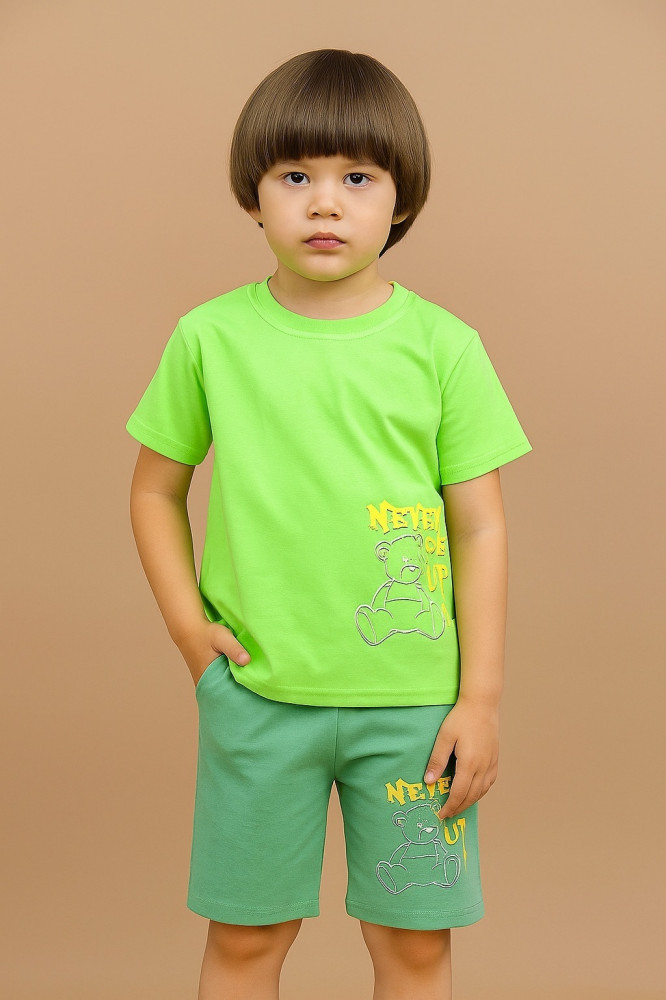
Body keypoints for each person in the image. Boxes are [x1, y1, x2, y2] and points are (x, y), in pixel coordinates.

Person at [126, 48, 532, 1000]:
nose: (324, 204)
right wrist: (190, 634)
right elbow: (153, 491)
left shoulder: (445, 348)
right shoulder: (210, 339)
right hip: (259, 698)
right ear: (253, 195)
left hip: (416, 713)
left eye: (357, 178)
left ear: (401, 199)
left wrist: (479, 701)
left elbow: (481, 529)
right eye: (295, 176)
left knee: (414, 947)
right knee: (246, 939)